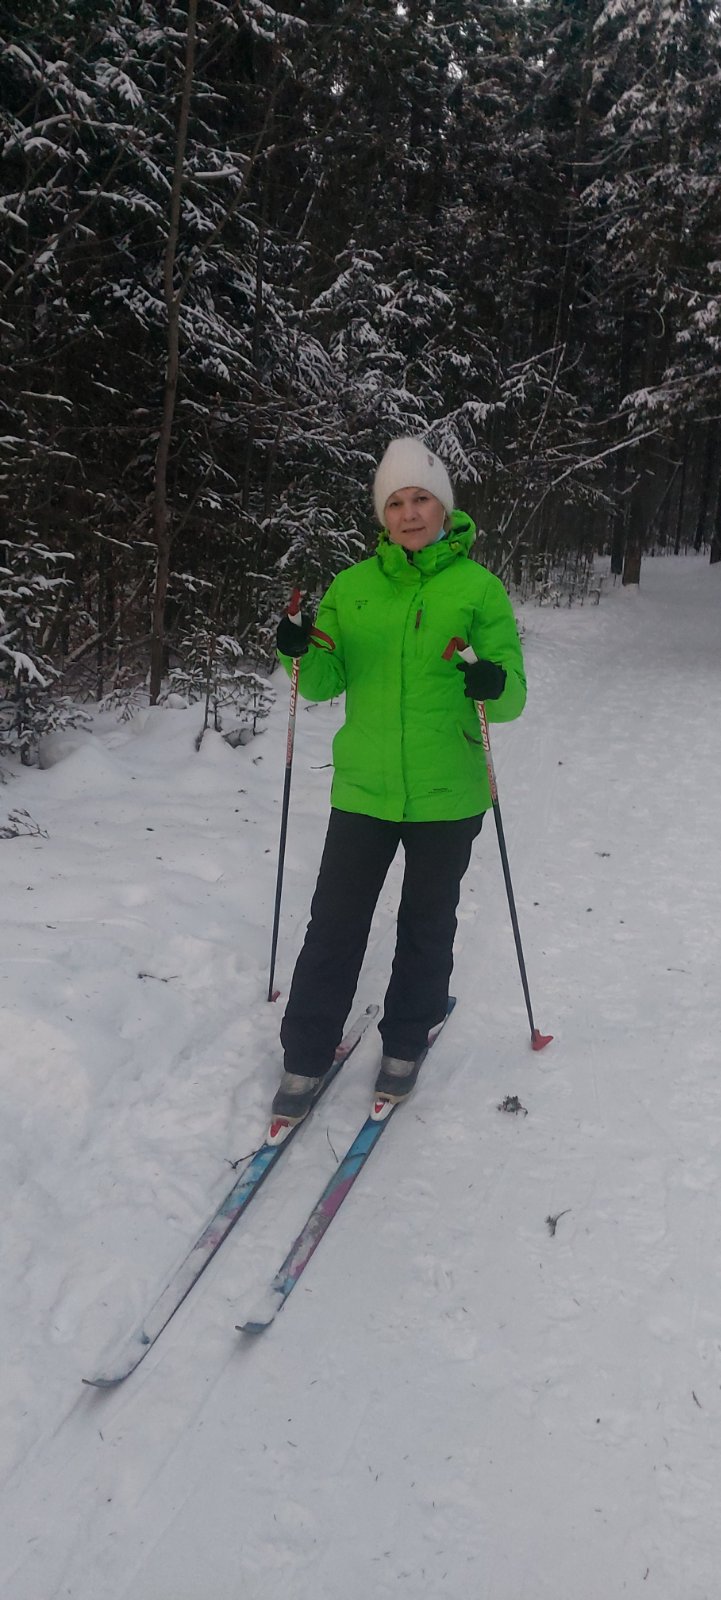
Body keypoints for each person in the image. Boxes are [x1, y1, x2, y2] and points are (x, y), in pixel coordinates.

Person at [271, 436, 526, 1123]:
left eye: (421, 500)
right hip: (364, 789)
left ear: (443, 508)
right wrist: (296, 649)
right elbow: (321, 680)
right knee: (334, 923)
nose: (409, 513)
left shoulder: (477, 589)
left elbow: (510, 698)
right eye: (395, 502)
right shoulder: (352, 588)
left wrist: (492, 680)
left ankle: (406, 1043)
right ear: (381, 514)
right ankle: (305, 1053)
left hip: (448, 792)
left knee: (426, 923)